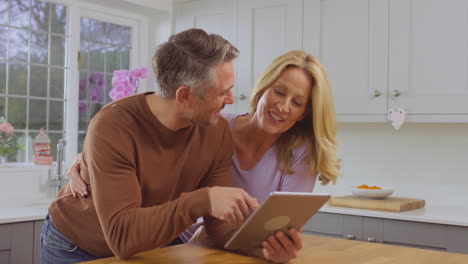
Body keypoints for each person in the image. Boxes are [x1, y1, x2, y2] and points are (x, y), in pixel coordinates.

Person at [40, 29, 300, 264]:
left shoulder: (216, 130)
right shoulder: (113, 127)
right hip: (77, 247)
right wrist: (202, 201)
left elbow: (220, 226)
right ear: (185, 96)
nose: (231, 100)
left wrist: (262, 249)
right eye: (222, 92)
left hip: (152, 246)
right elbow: (123, 237)